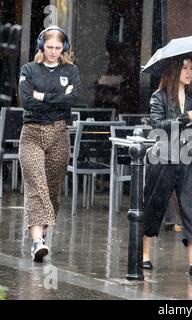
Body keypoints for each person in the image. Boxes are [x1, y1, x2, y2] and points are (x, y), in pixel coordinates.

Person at [142, 55, 192, 276]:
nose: (189, 72)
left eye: (191, 68)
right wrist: (186, 119)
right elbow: (158, 125)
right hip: (163, 159)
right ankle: (145, 255)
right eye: (184, 68)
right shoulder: (159, 97)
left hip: (187, 159)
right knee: (154, 206)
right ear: (173, 71)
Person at [18, 25, 80, 262]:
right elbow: (26, 101)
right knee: (37, 186)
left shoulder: (71, 70)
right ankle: (37, 241)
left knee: (52, 190)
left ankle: (40, 230)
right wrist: (58, 98)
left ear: (64, 47)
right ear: (41, 46)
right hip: (32, 132)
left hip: (59, 133)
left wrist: (42, 96)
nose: (52, 51)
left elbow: (72, 100)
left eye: (57, 47)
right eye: (49, 46)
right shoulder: (29, 69)